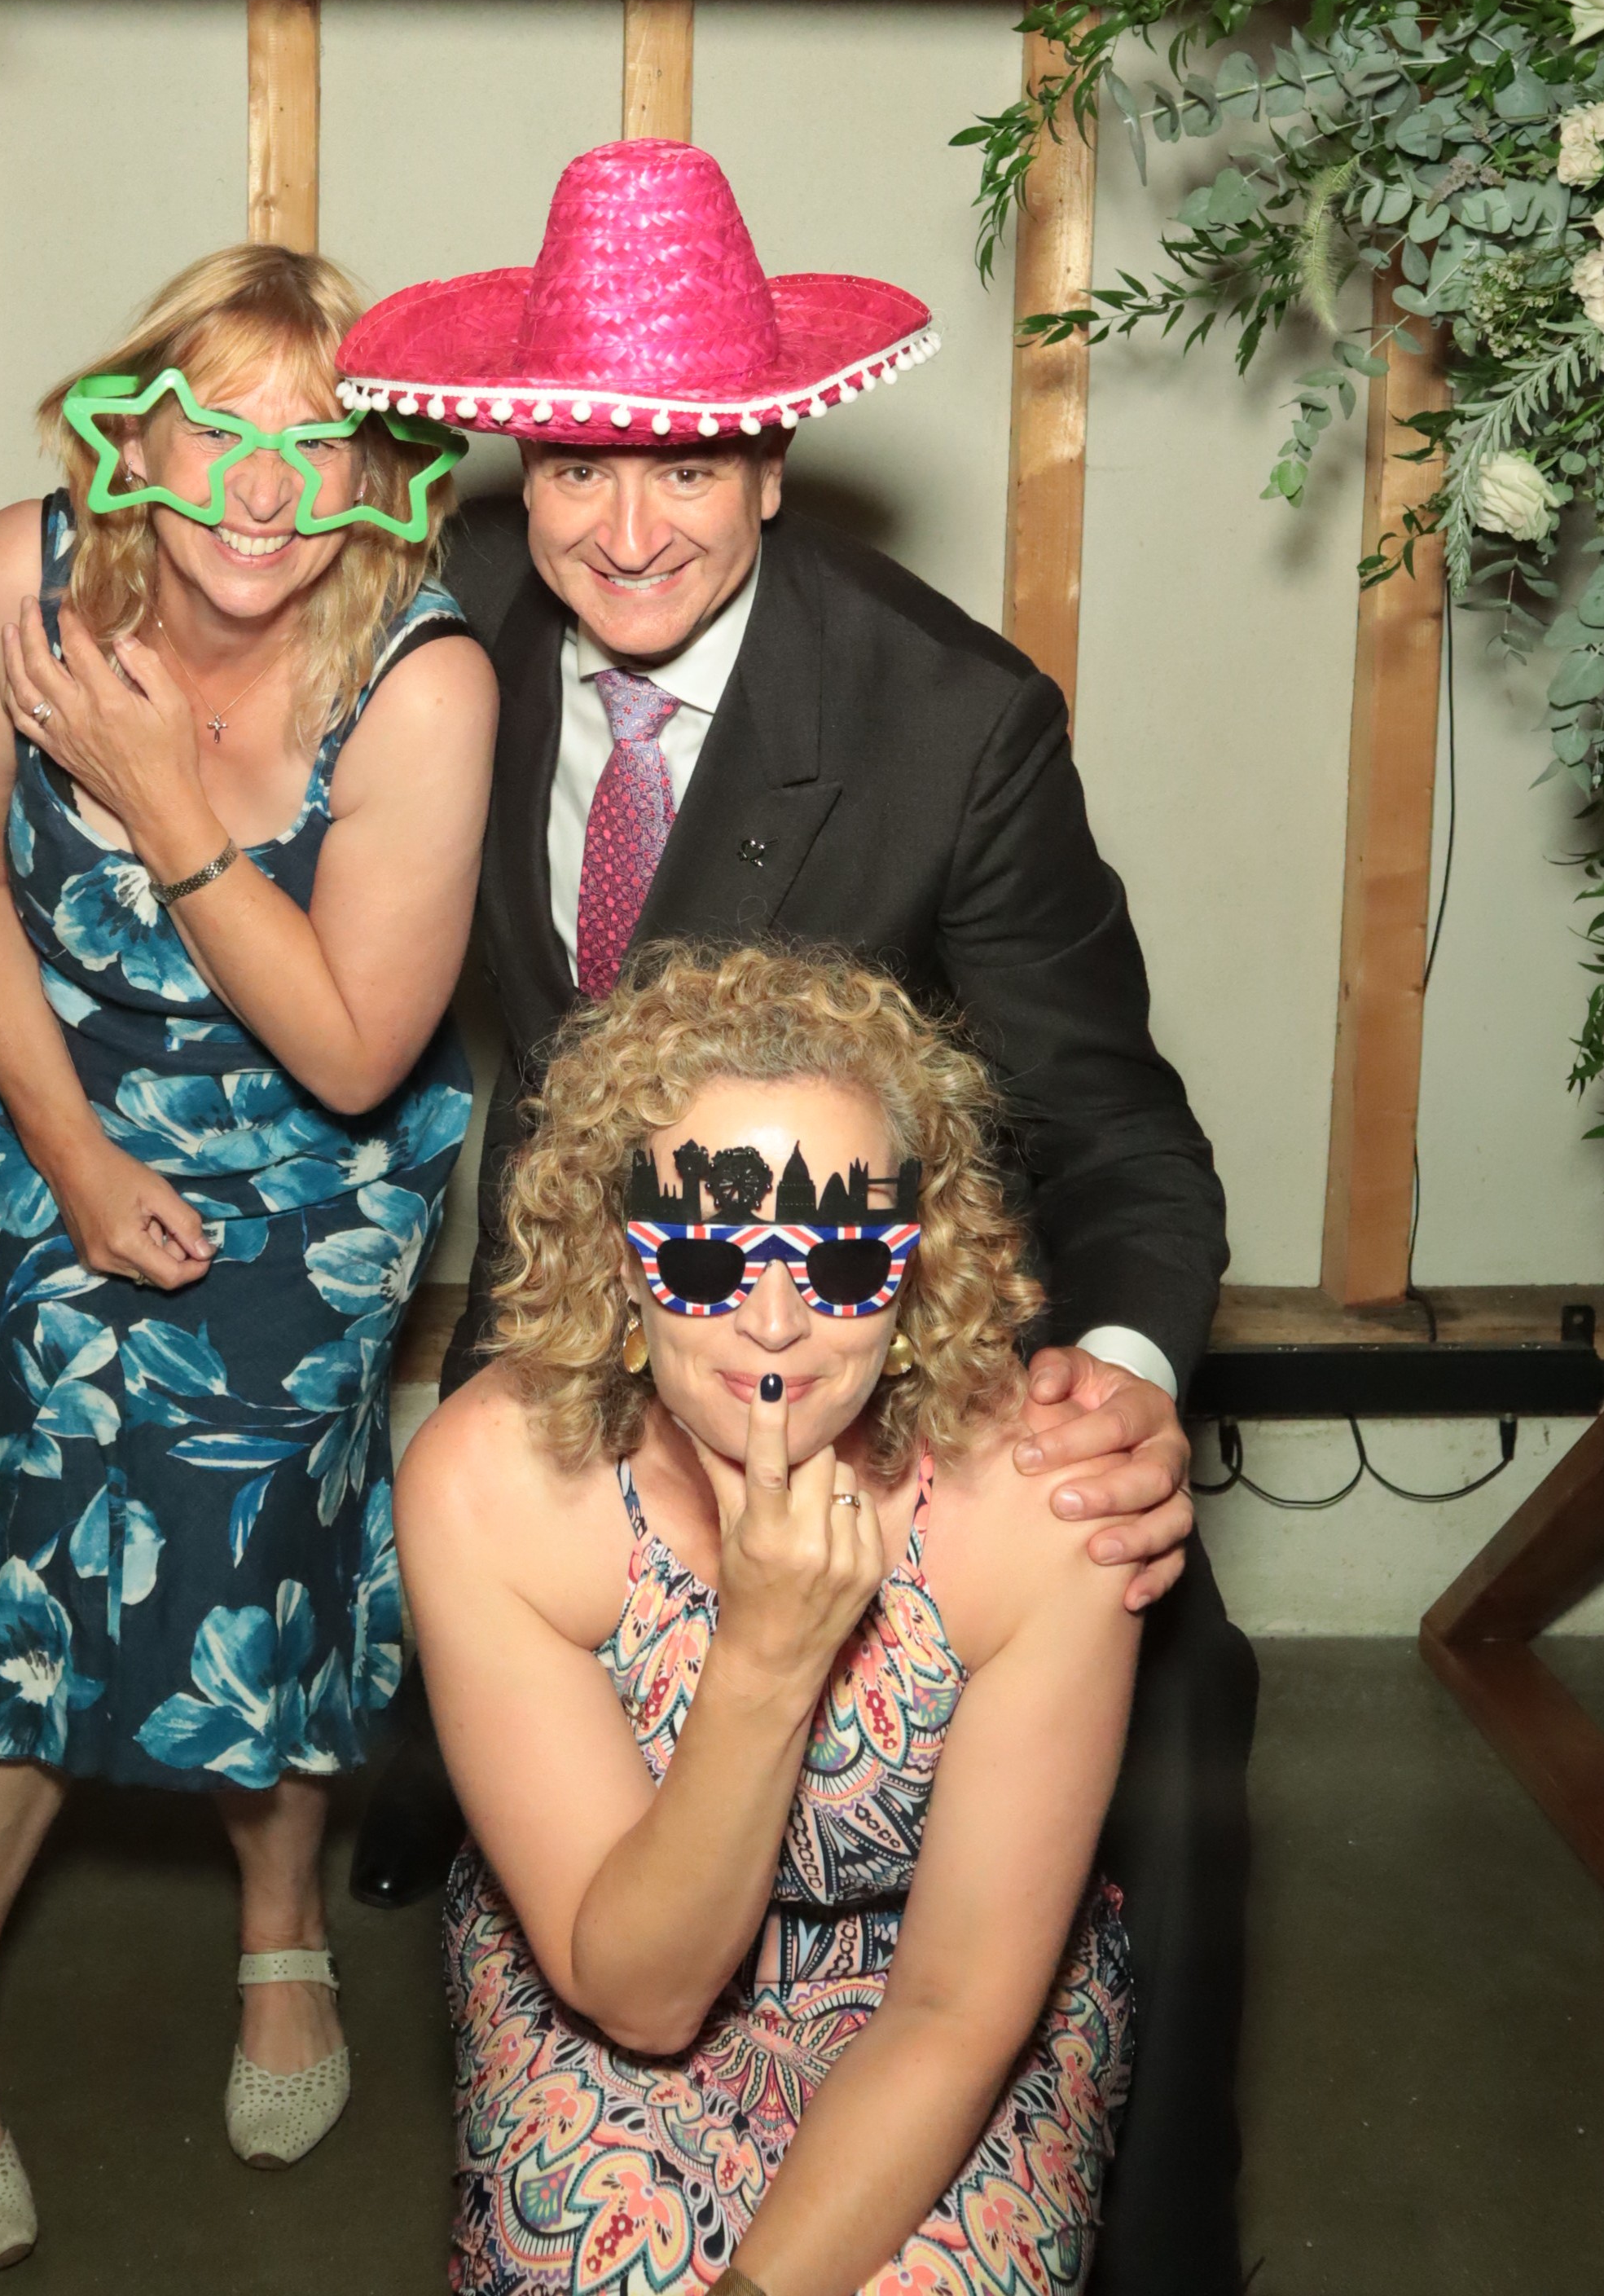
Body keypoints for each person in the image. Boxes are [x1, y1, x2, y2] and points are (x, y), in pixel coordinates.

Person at [341, 140, 1254, 2296]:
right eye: (578, 466)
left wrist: (1122, 1384)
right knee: (487, 1644)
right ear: (520, 467)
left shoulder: (952, 725)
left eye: (685, 464)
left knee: (1182, 1718)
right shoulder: (443, 639)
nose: (623, 526)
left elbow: (1119, 1136)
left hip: (878, 1341)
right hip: (582, 1322)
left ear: (771, 464)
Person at [0, 244, 497, 2263]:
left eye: (314, 450)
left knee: (269, 1543)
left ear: (375, 480)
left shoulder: (425, 675)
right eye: (214, 433)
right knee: (41, 1540)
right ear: (127, 438)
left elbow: (352, 1048)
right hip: (51, 1105)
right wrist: (64, 1156)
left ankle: (280, 1922)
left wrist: (158, 797)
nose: (258, 493)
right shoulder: (24, 576)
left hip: (314, 1163)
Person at [398, 939, 1141, 2296]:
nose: (779, 1322)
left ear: (915, 1274)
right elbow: (641, 1996)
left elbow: (955, 2008)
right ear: (619, 1267)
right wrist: (764, 1655)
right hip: (615, 1967)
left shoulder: (1048, 1497)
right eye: (705, 1258)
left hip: (942, 1992)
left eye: (844, 1260)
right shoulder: (490, 1484)